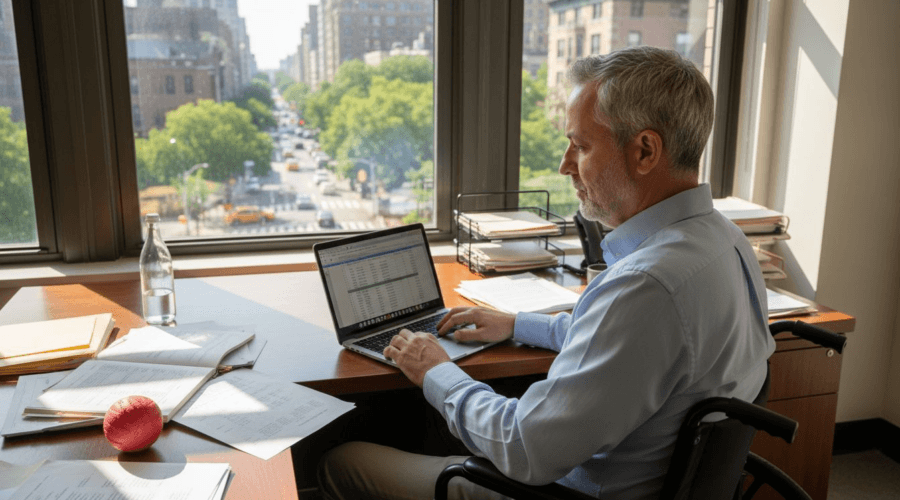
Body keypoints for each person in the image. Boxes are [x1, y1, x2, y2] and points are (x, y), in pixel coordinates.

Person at [318, 46, 776, 500]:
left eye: (580, 145)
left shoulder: (647, 286)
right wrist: (517, 325)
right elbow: (628, 347)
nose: (564, 165)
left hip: (561, 490)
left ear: (645, 151)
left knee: (342, 462)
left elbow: (525, 448)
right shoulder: (725, 241)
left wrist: (437, 372)